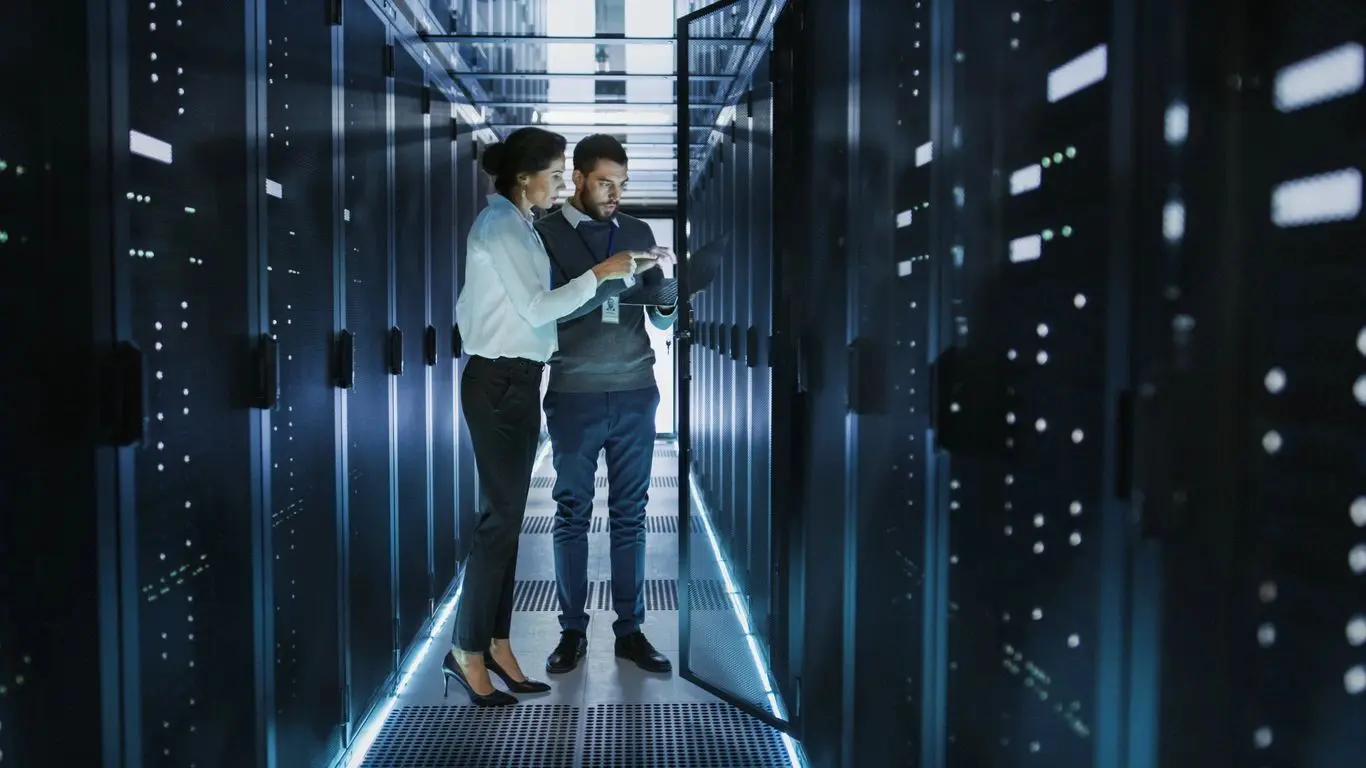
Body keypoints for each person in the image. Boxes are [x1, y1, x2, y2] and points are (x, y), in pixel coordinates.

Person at [443, 127, 656, 706]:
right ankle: (466, 652)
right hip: (500, 381)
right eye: (556, 175)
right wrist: (603, 274)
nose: (560, 184)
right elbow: (539, 307)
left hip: (519, 380)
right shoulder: (501, 226)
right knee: (500, 522)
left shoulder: (520, 226)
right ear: (524, 178)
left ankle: (497, 642)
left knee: (507, 522)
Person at [536, 134, 678, 675]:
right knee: (571, 513)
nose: (615, 193)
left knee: (631, 515)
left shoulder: (640, 231)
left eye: (621, 183)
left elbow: (660, 318)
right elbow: (544, 314)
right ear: (576, 178)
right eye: (604, 182)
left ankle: (631, 630)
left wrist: (668, 303)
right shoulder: (545, 236)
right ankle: (571, 632)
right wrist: (608, 276)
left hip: (637, 388)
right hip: (574, 393)